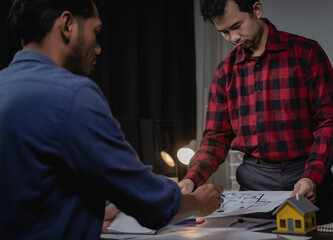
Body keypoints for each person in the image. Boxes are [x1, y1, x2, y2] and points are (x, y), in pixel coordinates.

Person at [0, 0, 224, 239]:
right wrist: (196, 203)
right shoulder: (74, 95)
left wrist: (93, 213)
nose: (98, 48)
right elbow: (148, 201)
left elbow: (35, 192)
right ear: (67, 25)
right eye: (95, 32)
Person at [179, 0, 333, 225]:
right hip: (253, 188)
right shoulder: (225, 72)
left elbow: (332, 121)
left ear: (256, 10)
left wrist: (312, 175)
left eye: (237, 26)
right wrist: (192, 179)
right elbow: (216, 137)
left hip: (307, 176)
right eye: (224, 32)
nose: (234, 38)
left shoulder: (305, 53)